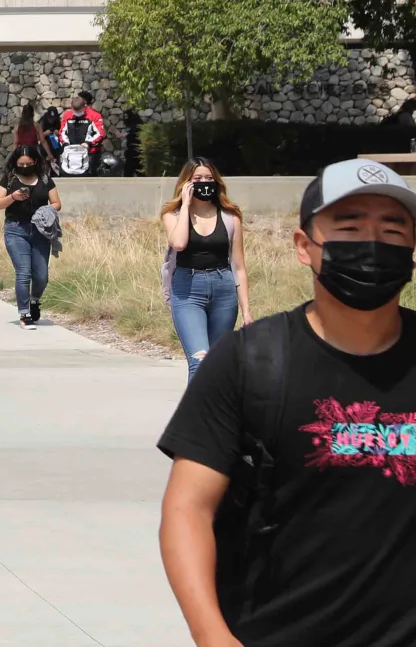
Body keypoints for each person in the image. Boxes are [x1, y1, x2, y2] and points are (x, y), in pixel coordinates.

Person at [158, 159, 416, 647]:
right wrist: (213, 636)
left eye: (392, 229)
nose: (372, 243)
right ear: (304, 246)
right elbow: (187, 509)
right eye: (349, 228)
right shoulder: (248, 362)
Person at [160, 159, 251, 380]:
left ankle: (215, 404)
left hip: (224, 289)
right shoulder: (172, 215)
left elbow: (239, 266)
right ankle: (196, 405)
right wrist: (185, 206)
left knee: (217, 365)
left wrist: (247, 311)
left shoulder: (230, 217)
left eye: (209, 178)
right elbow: (178, 243)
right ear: (186, 183)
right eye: (198, 178)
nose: (204, 183)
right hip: (188, 290)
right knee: (199, 361)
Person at [0, 144, 60, 328]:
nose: (24, 167)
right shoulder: (9, 179)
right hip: (16, 230)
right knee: (23, 272)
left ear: (35, 162)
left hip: (40, 231)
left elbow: (56, 202)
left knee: (41, 275)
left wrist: (46, 211)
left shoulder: (45, 179)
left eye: (28, 164)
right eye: (21, 164)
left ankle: (34, 300)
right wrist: (13, 197)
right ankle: (24, 314)